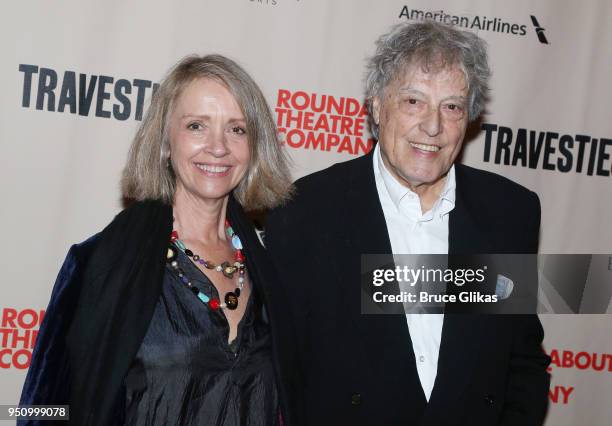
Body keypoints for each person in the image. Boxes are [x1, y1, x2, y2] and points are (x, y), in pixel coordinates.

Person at [266, 21, 551, 425]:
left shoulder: (507, 213)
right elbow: (281, 370)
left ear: (467, 119)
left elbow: (521, 360)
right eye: (414, 101)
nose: (432, 126)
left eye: (451, 106)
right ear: (378, 106)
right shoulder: (306, 212)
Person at [20, 54, 296, 426]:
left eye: (237, 129)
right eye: (197, 126)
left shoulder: (270, 273)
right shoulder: (99, 266)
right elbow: (41, 409)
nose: (218, 147)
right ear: (166, 141)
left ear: (254, 147)